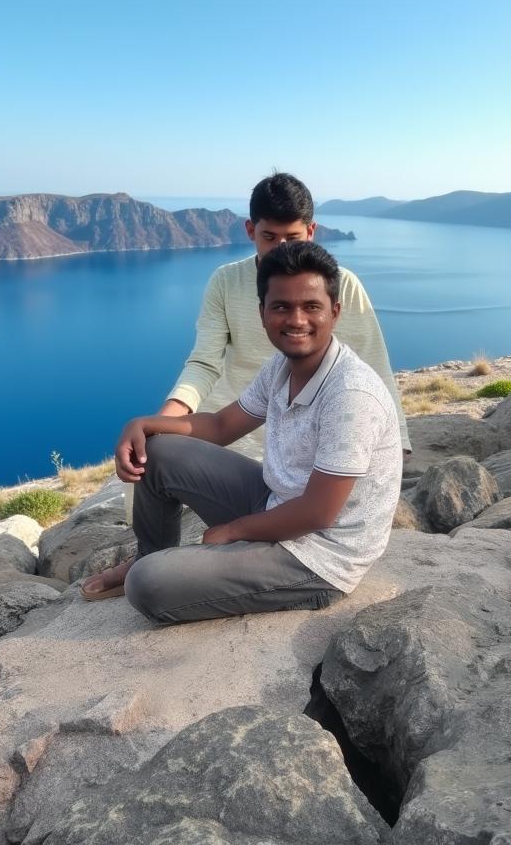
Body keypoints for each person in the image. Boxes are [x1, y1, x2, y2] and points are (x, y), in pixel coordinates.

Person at [84, 171, 409, 597]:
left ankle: (165, 569)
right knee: (158, 451)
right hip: (277, 481)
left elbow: (318, 511)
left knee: (149, 585)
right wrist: (147, 424)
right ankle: (154, 554)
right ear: (262, 312)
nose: (296, 320)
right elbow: (219, 422)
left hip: (320, 550)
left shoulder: (350, 389)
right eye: (281, 307)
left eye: (311, 307)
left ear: (335, 310)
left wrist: (234, 531)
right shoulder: (278, 364)